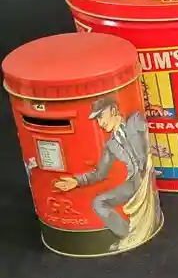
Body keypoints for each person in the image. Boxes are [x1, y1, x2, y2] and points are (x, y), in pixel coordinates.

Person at [53, 96, 160, 250]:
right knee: (99, 203)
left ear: (114, 110)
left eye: (101, 116)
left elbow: (149, 139)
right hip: (134, 181)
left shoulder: (135, 121)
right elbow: (100, 173)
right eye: (97, 119)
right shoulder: (110, 145)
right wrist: (77, 181)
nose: (100, 123)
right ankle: (128, 235)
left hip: (148, 175)